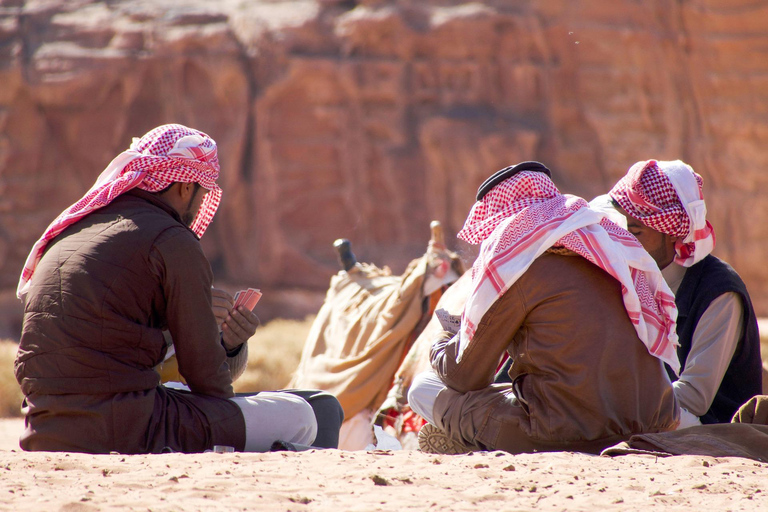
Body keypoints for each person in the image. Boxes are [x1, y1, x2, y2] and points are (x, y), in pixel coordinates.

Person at [14, 124, 343, 454]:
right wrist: (218, 348)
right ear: (186, 186)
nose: (202, 207)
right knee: (312, 412)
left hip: (45, 429)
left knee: (307, 406)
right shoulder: (171, 239)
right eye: (204, 192)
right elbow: (209, 384)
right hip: (125, 427)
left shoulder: (75, 232)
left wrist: (227, 343)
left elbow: (117, 343)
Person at [408, 162, 681, 455]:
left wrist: (443, 341)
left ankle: (472, 441)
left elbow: (465, 376)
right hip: (654, 426)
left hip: (568, 434)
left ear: (505, 224)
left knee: (423, 388)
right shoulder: (610, 249)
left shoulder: (518, 269)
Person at [605, 159, 762, 425]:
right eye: (626, 230)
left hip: (708, 429)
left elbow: (693, 397)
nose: (627, 241)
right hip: (647, 411)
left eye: (637, 231)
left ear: (670, 231)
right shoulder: (633, 280)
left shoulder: (719, 292)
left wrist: (611, 404)